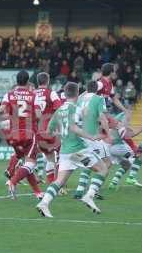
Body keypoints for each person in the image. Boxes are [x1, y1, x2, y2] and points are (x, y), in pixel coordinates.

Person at [36, 82, 108, 217]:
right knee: (103, 169)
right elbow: (75, 128)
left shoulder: (59, 111)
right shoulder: (75, 108)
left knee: (59, 181)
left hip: (65, 152)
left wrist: (61, 134)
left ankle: (44, 203)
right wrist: (91, 137)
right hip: (78, 151)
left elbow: (49, 132)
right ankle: (89, 196)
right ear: (77, 93)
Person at [0, 70, 43, 199]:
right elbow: (38, 115)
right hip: (28, 134)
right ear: (27, 81)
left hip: (13, 136)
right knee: (30, 164)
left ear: (17, 80)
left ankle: (37, 192)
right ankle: (12, 181)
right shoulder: (33, 95)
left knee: (26, 164)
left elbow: (1, 110)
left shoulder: (9, 95)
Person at [73, 80, 111, 199]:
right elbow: (102, 118)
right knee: (107, 163)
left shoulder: (80, 99)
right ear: (97, 90)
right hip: (92, 136)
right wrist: (107, 133)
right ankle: (93, 190)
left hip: (79, 134)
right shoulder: (99, 99)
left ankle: (80, 190)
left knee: (90, 162)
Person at [34, 72, 63, 185]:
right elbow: (60, 110)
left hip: (37, 132)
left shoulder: (33, 94)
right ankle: (59, 184)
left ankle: (52, 184)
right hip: (50, 131)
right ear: (48, 81)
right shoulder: (51, 93)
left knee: (50, 157)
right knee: (62, 155)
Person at [108, 113, 142, 189]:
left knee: (126, 165)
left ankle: (113, 183)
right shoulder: (120, 124)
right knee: (140, 156)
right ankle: (131, 177)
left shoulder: (115, 122)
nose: (129, 119)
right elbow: (127, 137)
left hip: (109, 147)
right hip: (117, 147)